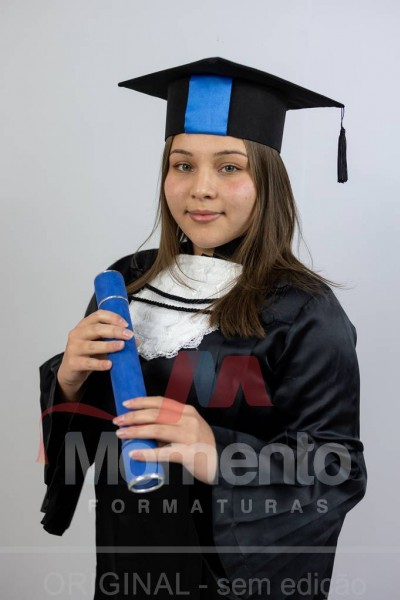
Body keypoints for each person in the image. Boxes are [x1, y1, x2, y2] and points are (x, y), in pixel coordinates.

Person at [39, 58, 367, 599]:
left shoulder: (305, 311)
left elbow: (338, 468)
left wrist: (219, 452)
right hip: (130, 569)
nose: (201, 189)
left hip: (234, 583)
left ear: (268, 180)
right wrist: (70, 383)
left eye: (230, 167)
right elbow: (93, 437)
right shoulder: (127, 283)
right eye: (183, 165)